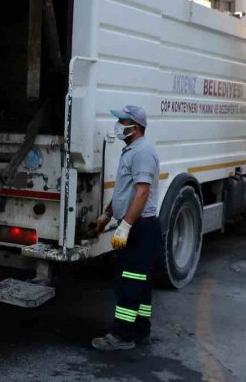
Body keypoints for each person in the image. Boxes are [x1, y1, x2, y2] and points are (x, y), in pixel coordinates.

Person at [88, 105, 160, 351]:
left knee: (128, 282)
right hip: (136, 226)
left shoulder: (143, 152)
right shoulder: (131, 151)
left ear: (135, 127)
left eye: (122, 121)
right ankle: (141, 331)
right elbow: (125, 192)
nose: (118, 124)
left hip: (140, 228)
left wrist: (126, 226)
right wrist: (107, 216)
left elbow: (142, 193)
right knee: (139, 281)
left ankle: (122, 336)